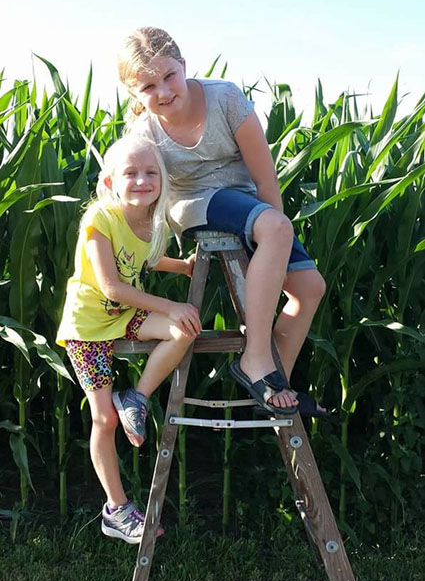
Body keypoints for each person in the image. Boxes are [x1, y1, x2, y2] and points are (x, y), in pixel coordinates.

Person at [117, 27, 326, 417]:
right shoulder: (143, 133)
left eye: (169, 76)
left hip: (246, 203)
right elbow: (136, 196)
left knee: (309, 287)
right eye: (147, 87)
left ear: (183, 65)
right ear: (134, 94)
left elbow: (265, 180)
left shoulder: (225, 98)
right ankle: (256, 358)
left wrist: (275, 240)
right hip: (193, 203)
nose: (163, 92)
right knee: (274, 228)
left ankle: (272, 379)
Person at [57, 136, 201, 543]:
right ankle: (116, 511)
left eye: (151, 172)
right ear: (109, 183)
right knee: (103, 419)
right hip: (88, 326)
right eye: (131, 173)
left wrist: (183, 268)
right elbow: (112, 285)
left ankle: (136, 396)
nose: (142, 180)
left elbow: (147, 258)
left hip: (122, 318)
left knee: (184, 331)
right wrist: (170, 304)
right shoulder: (99, 219)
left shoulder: (148, 222)